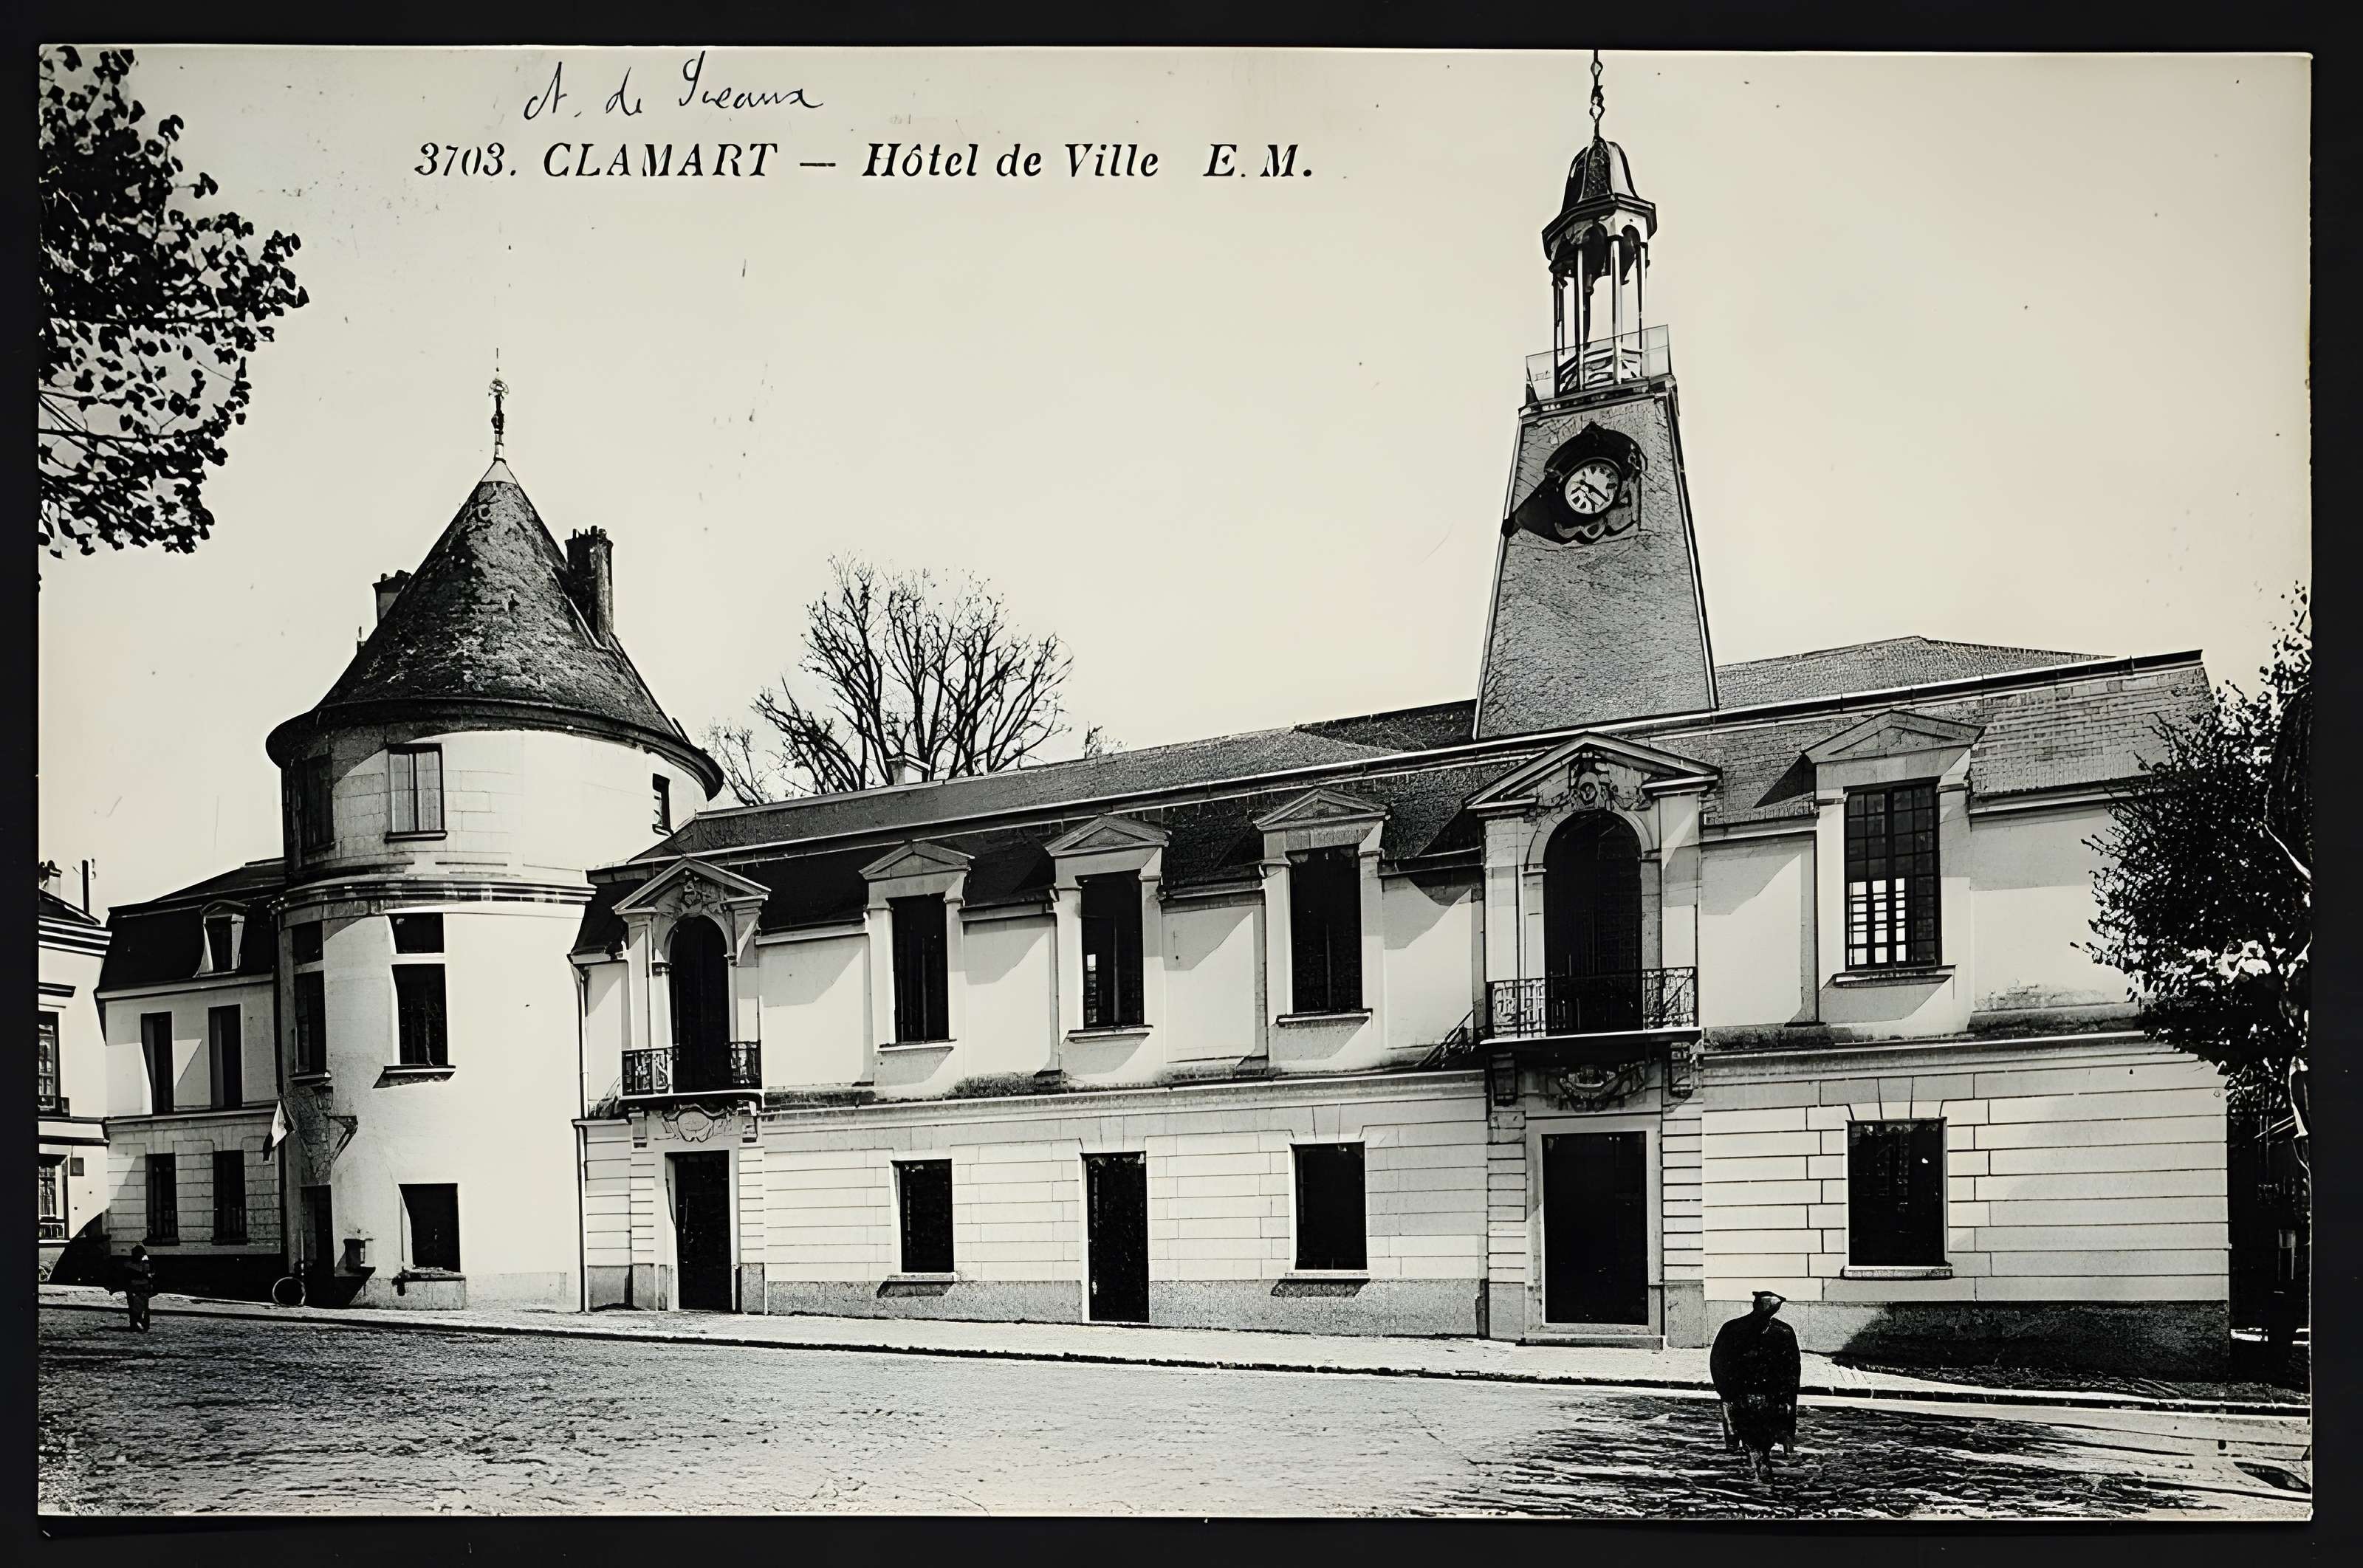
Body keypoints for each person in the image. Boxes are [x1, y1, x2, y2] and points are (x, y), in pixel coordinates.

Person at [1710, 1289, 1800, 1485]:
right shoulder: (1733, 1329)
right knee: (1750, 1438)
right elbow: (1718, 1363)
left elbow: (1792, 1370)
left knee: (1762, 1439)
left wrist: (1787, 1401)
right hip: (1742, 1396)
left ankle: (1759, 1471)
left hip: (1771, 1398)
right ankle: (1759, 1473)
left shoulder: (1783, 1332)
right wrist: (1726, 1392)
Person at [119, 1244, 155, 1332]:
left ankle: (136, 1324)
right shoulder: (145, 1264)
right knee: (142, 1307)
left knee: (135, 1307)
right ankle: (141, 1324)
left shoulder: (129, 1264)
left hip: (136, 1287)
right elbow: (149, 1275)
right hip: (139, 1287)